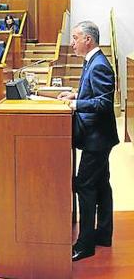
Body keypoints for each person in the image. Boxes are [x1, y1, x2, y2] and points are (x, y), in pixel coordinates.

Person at [57, 21, 118, 262]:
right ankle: (103, 234)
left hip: (97, 138)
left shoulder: (100, 65)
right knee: (102, 185)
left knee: (85, 185)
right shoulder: (92, 61)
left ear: (88, 40)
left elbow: (104, 104)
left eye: (75, 38)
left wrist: (75, 104)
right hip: (98, 137)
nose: (72, 43)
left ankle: (85, 244)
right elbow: (92, 91)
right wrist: (76, 93)